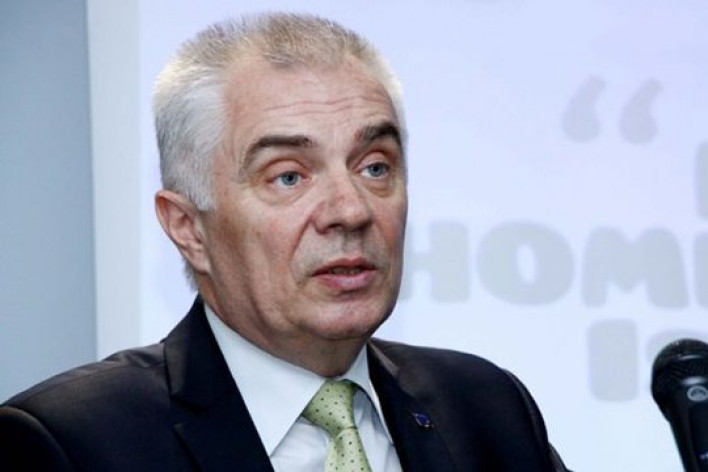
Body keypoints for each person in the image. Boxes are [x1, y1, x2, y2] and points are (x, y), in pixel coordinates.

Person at [0, 12, 569, 471]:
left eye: (374, 166)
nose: (350, 210)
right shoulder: (70, 445)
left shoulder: (488, 411)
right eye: (289, 177)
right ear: (187, 228)